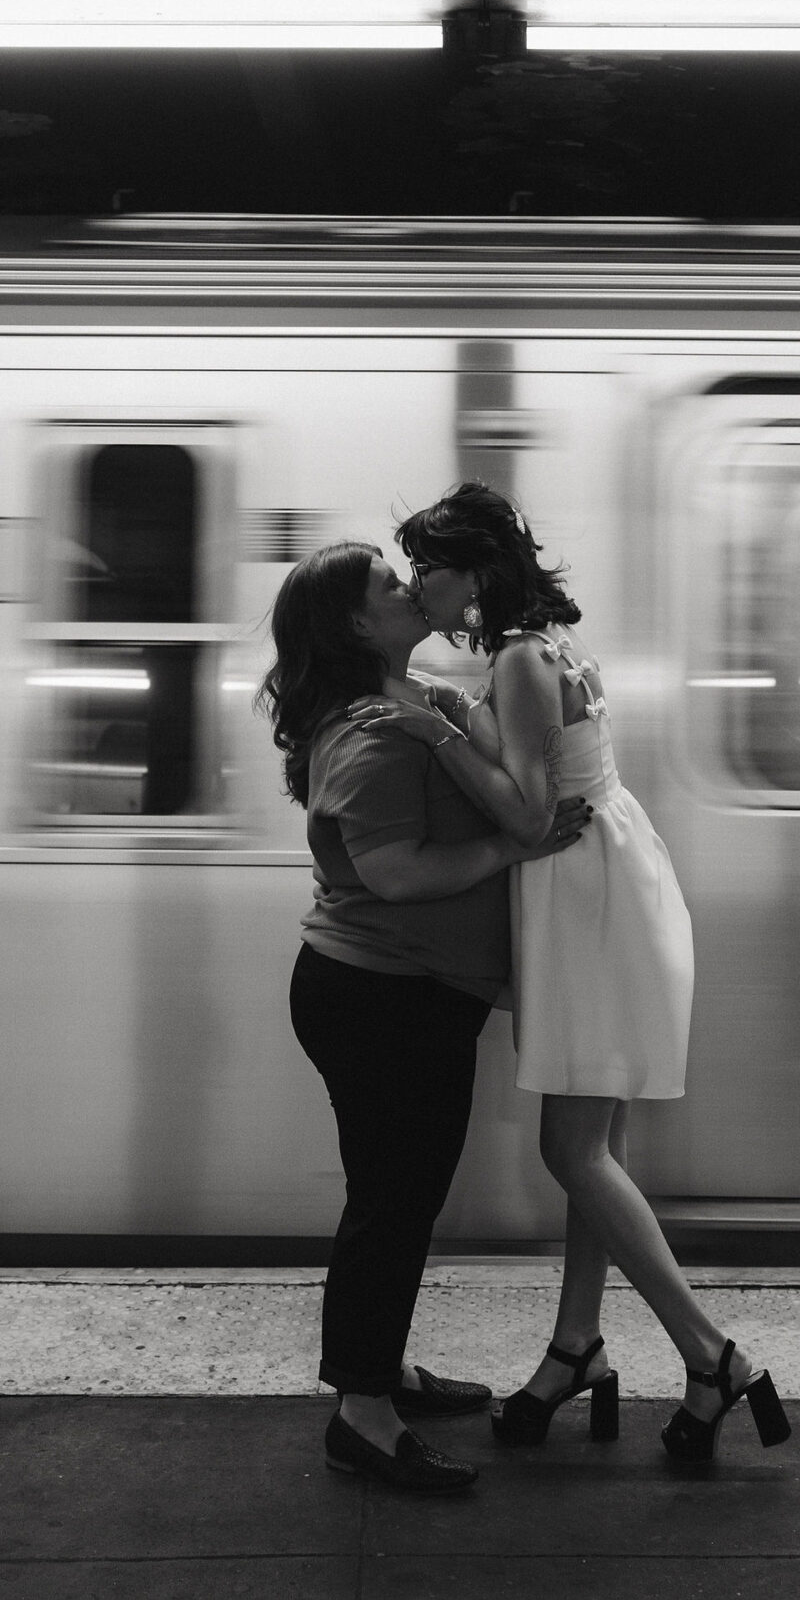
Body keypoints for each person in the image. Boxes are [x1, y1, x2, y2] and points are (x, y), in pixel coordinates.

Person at [353, 482, 789, 1466]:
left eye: (432, 565)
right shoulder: (554, 645)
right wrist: (460, 711)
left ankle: (712, 1356)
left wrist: (431, 730)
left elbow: (524, 805)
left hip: (580, 895)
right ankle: (574, 1348)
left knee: (571, 1151)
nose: (421, 584)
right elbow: (547, 751)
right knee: (599, 1153)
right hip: (614, 876)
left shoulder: (513, 656)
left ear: (477, 570)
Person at [258, 539, 592, 1496]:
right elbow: (394, 873)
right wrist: (506, 850)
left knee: (394, 1194)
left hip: (401, 996)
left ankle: (379, 1371)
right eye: (389, 586)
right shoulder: (368, 729)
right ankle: (362, 1419)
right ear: (358, 624)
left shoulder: (409, 702)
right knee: (392, 1202)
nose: (410, 592)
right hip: (377, 999)